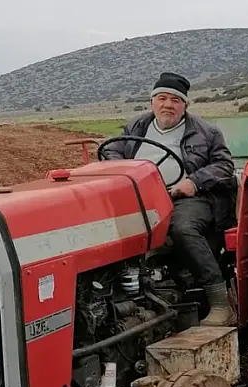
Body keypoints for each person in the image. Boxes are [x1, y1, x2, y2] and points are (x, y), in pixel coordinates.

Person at [102, 72, 238, 326]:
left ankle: (220, 303)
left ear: (185, 105)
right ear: (152, 102)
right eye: (162, 98)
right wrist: (122, 171)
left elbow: (224, 165)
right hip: (141, 198)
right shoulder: (138, 126)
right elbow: (111, 149)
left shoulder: (206, 131)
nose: (168, 105)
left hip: (188, 197)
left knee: (182, 228)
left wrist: (194, 181)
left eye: (175, 100)